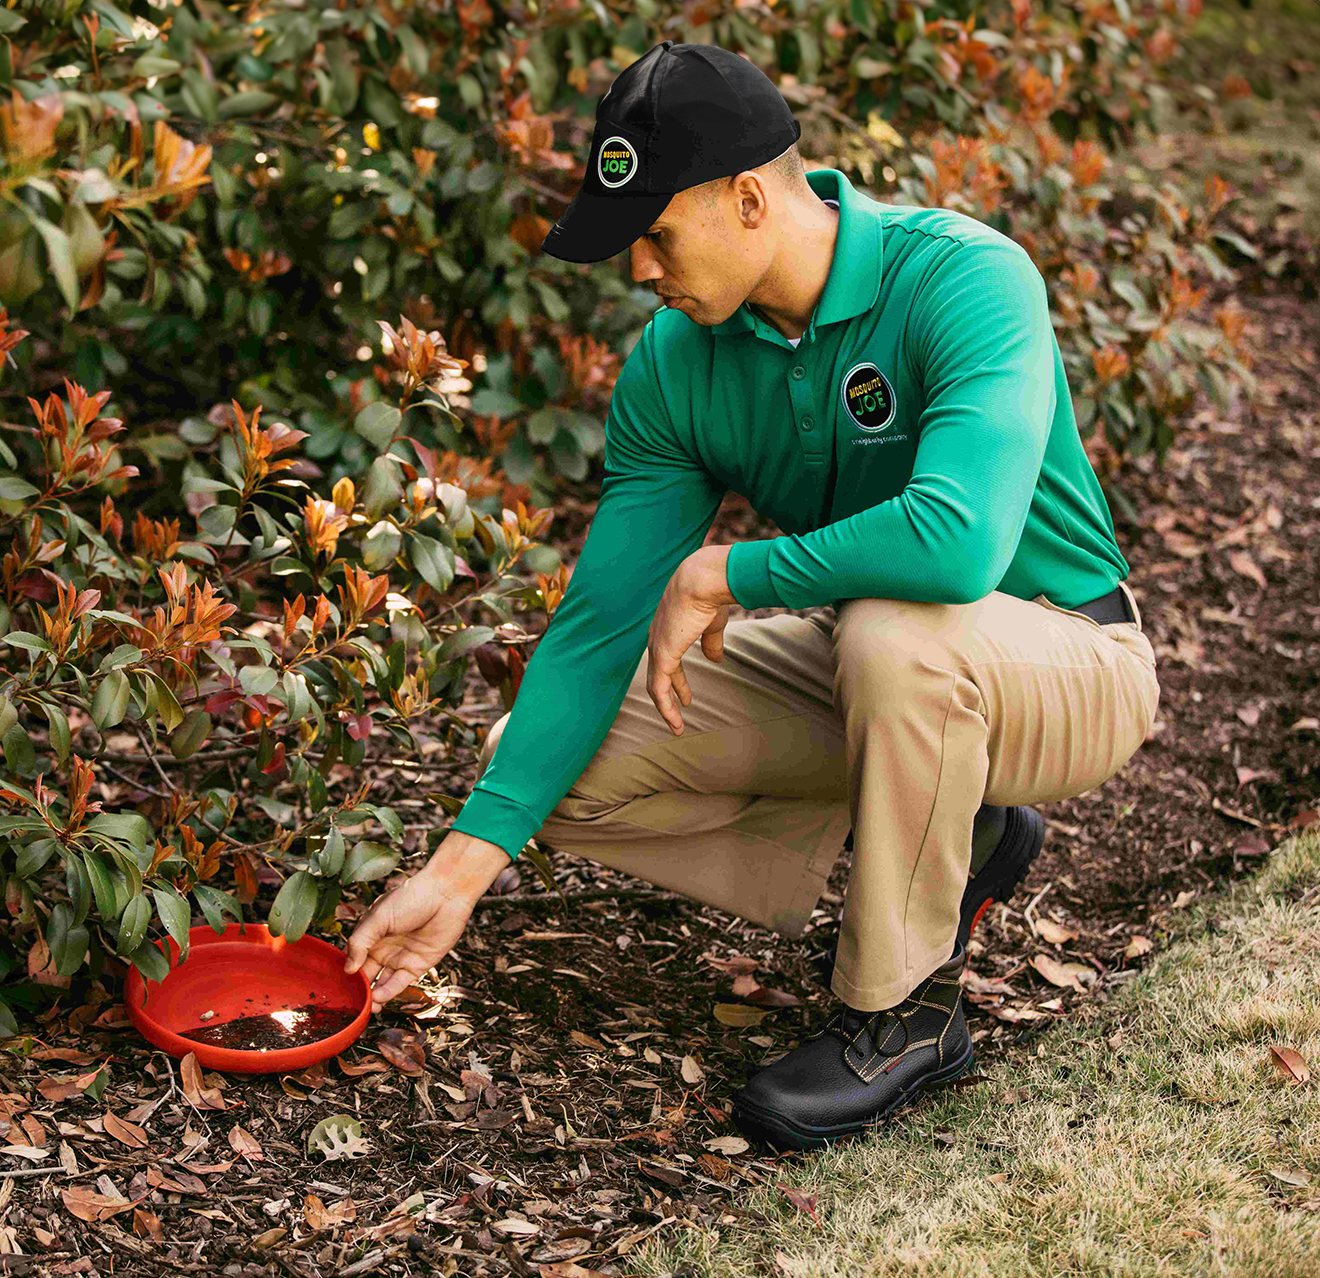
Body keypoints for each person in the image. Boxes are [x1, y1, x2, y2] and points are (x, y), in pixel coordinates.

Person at [344, 41, 1161, 1152]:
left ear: (745, 198)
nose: (641, 270)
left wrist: (731, 570)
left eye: (657, 235)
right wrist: (460, 869)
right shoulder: (679, 363)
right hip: (873, 668)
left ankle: (905, 1013)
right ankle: (943, 829)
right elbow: (595, 632)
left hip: (1074, 658)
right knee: (546, 766)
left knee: (893, 637)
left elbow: (959, 542)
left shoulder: (964, 276)